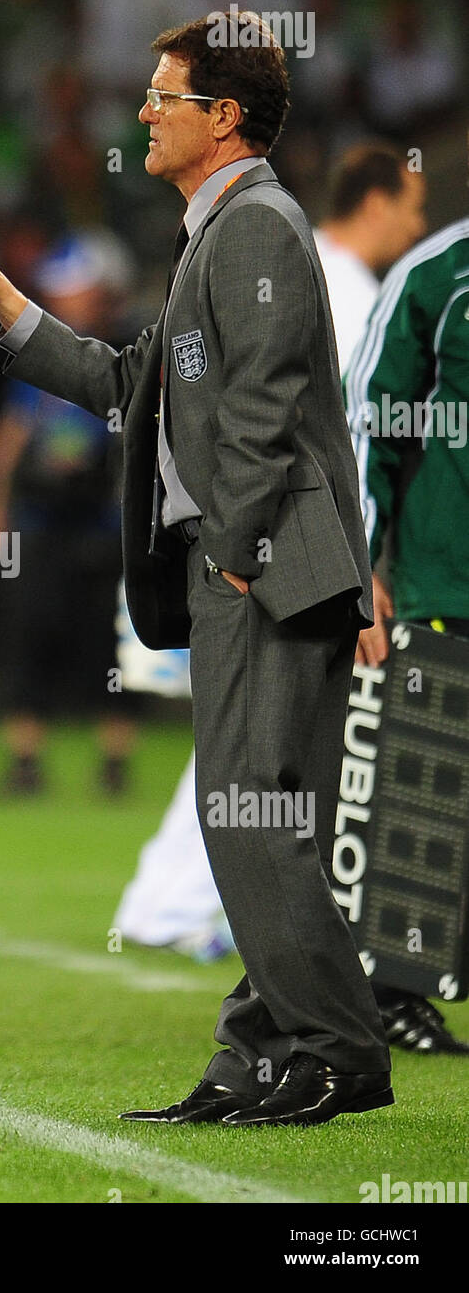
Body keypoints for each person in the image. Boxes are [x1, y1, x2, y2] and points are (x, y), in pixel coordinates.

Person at [0, 10, 392, 1127]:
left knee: (250, 811)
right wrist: (2, 304)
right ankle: (257, 1054)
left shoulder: (252, 228)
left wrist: (239, 551)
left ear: (224, 116)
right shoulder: (217, 231)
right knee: (251, 811)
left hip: (265, 568)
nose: (143, 113)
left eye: (164, 96)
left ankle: (338, 1047)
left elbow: (262, 408)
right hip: (254, 566)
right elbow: (123, 384)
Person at [113, 142, 427, 962]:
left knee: (240, 754)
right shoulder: (342, 283)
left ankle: (176, 906)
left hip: (226, 546)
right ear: (377, 200)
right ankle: (228, 930)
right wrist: (356, 571)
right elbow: (328, 433)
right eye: (412, 205)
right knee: (264, 764)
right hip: (272, 556)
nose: (418, 224)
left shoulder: (249, 237)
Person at [344, 174, 469, 1056]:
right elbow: (366, 420)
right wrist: (360, 566)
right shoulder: (436, 274)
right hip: (443, 579)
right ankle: (391, 989)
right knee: (429, 799)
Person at [0, 232, 139, 797]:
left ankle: (115, 759)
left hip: (106, 525)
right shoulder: (39, 364)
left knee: (109, 644)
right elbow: (8, 440)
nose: (68, 300)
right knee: (27, 635)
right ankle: (25, 758)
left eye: (78, 289)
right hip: (41, 525)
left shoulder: (127, 350)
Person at [314, 143, 426, 374]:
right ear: (378, 205)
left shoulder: (289, 248)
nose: (418, 227)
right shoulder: (364, 306)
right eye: (414, 209)